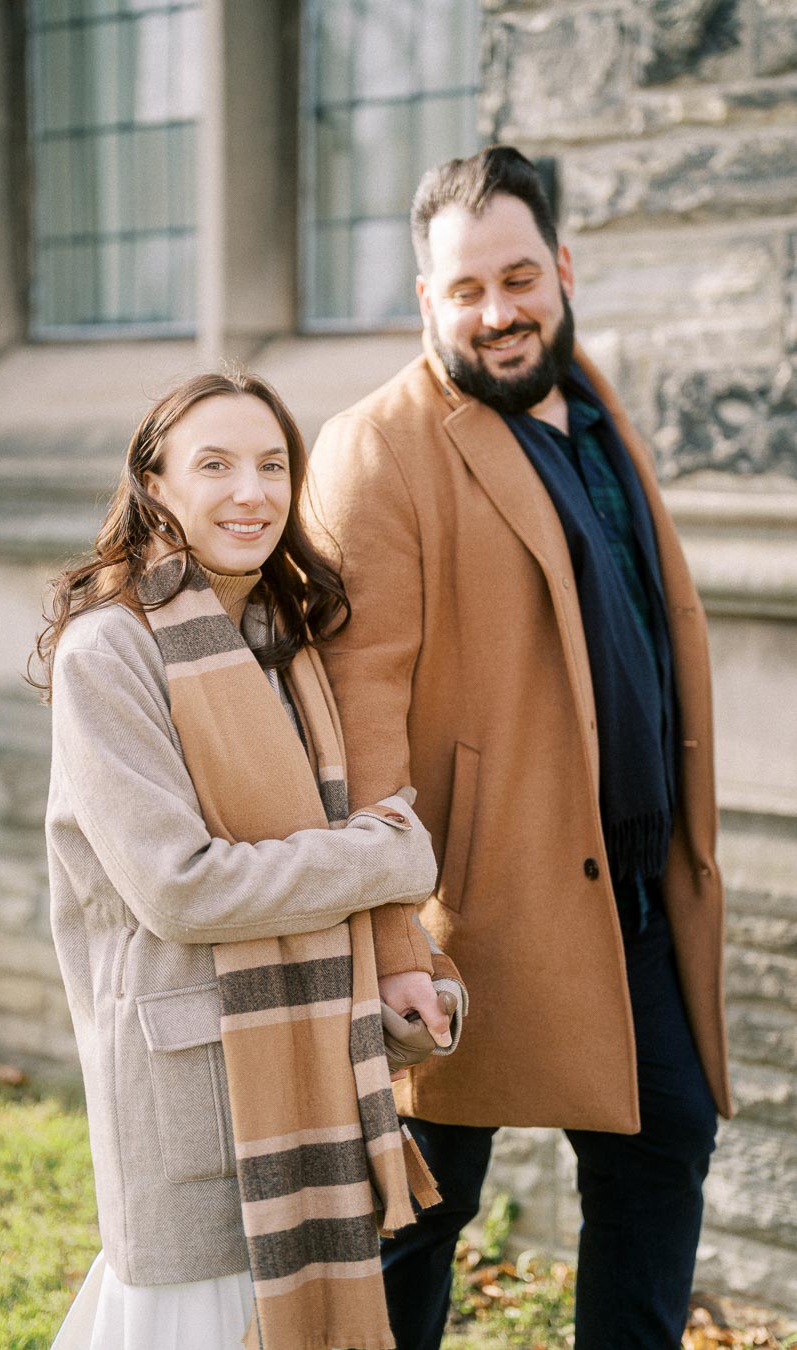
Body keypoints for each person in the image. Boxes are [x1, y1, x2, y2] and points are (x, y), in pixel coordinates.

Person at [306, 145, 732, 1350]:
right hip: (463, 920)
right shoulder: (377, 448)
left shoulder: (593, 412)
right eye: (464, 290)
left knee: (665, 1147)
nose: (497, 314)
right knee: (420, 1211)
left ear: (561, 267)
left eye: (517, 278)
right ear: (423, 298)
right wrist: (391, 938)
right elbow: (359, 719)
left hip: (631, 896)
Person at [31, 369, 465, 1350]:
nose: (251, 492)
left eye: (273, 465)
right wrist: (386, 860)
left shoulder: (284, 646)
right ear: (155, 485)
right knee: (175, 1324)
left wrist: (402, 973)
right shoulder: (110, 652)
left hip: (299, 1074)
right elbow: (179, 888)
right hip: (189, 1093)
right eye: (215, 464)